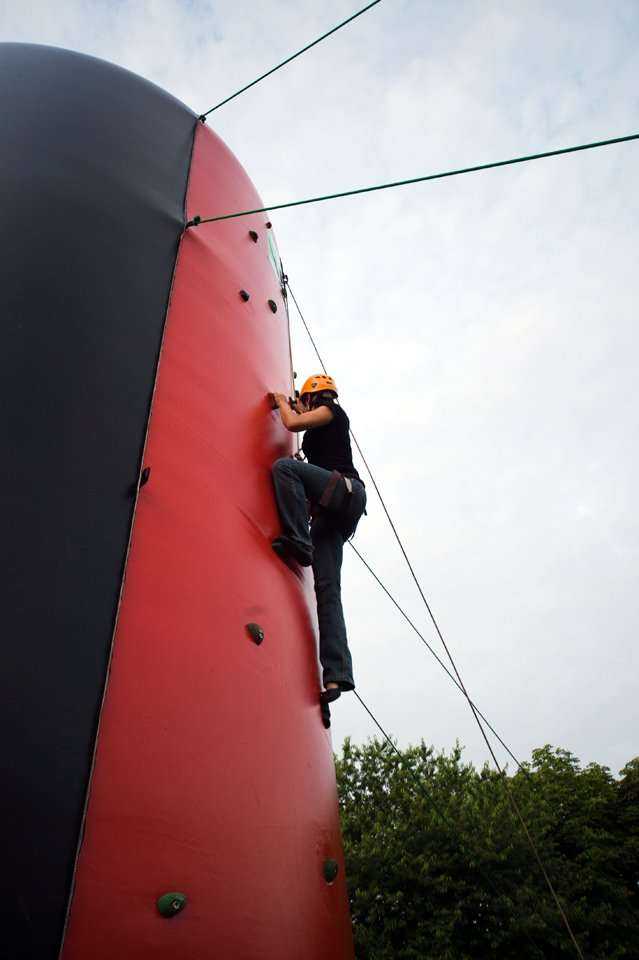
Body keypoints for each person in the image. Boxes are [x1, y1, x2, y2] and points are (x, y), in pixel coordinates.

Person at [270, 374, 366, 717]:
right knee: (327, 591)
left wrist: (280, 402)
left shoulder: (331, 411)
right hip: (331, 512)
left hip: (344, 492)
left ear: (314, 397)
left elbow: (293, 422)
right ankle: (336, 676)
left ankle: (299, 539)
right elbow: (303, 425)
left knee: (285, 469)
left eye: (305, 400)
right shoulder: (317, 433)